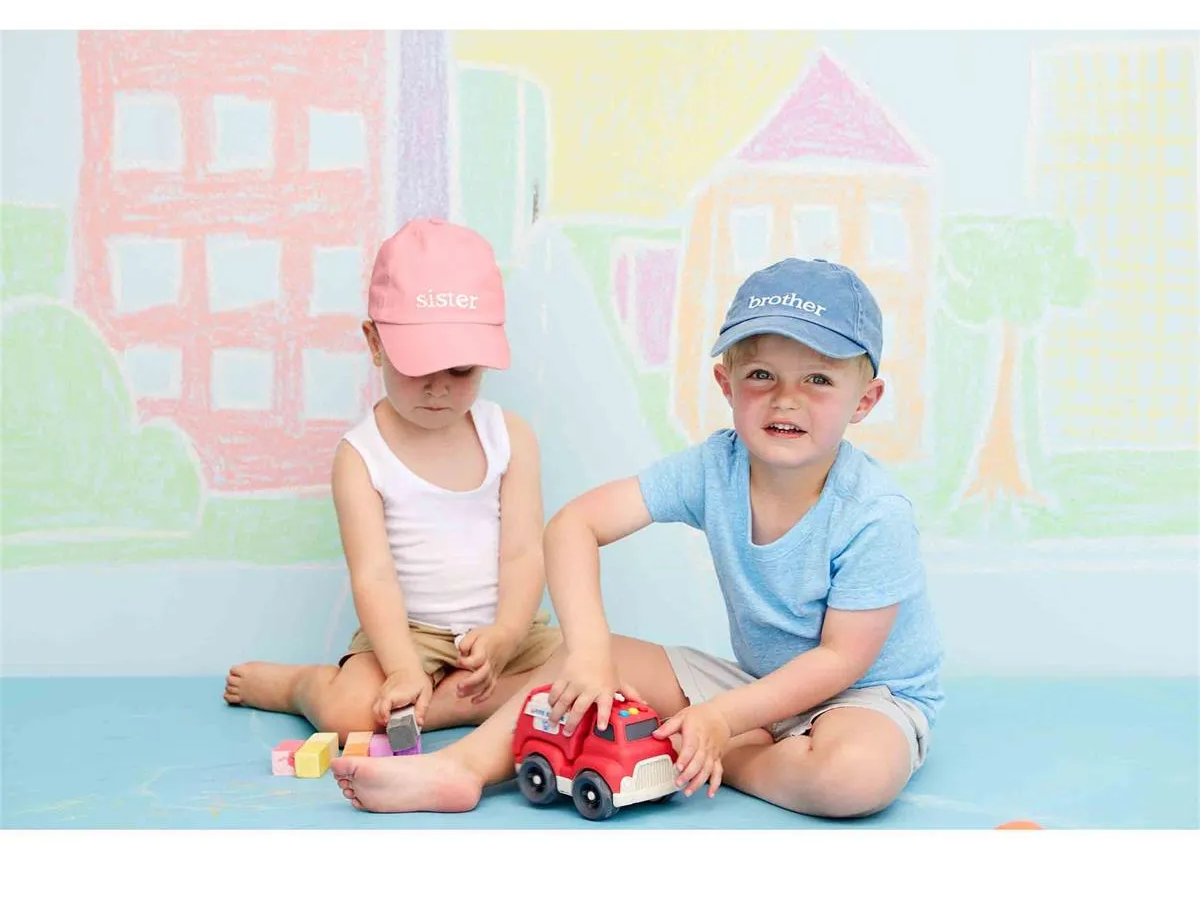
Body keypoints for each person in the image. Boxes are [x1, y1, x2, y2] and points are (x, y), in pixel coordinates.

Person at [329, 257, 943, 820]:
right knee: (577, 659)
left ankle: (702, 749)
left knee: (853, 778)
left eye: (817, 380)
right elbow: (575, 525)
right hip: (753, 689)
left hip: (861, 699)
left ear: (864, 401)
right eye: (762, 374)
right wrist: (593, 652)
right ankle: (459, 769)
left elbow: (841, 661)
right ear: (727, 385)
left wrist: (721, 720)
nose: (787, 399)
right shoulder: (715, 468)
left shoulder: (873, 513)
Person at [223, 217, 561, 741]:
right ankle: (303, 686)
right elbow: (374, 576)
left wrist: (505, 634)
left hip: (503, 633)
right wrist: (402, 667)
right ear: (375, 343)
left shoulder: (510, 438)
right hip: (407, 635)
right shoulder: (362, 456)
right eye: (417, 366)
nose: (438, 389)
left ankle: (441, 708)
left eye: (461, 371)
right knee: (348, 716)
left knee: (593, 673)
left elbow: (522, 553)